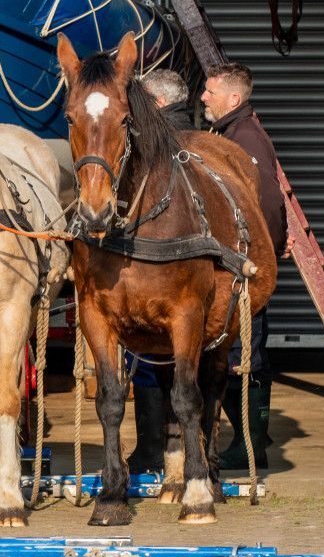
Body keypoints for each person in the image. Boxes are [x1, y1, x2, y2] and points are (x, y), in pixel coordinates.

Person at [200, 62, 287, 470]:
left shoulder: (246, 138)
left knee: (245, 354)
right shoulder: (229, 132)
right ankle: (248, 435)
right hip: (235, 265)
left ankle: (250, 442)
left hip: (244, 269)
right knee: (238, 350)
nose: (203, 97)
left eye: (210, 92)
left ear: (233, 99)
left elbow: (266, 202)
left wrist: (263, 251)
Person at [121, 68, 197, 473]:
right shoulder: (199, 141)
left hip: (154, 272)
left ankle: (154, 448)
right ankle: (176, 448)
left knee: (149, 365)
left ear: (159, 104)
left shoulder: (157, 147)